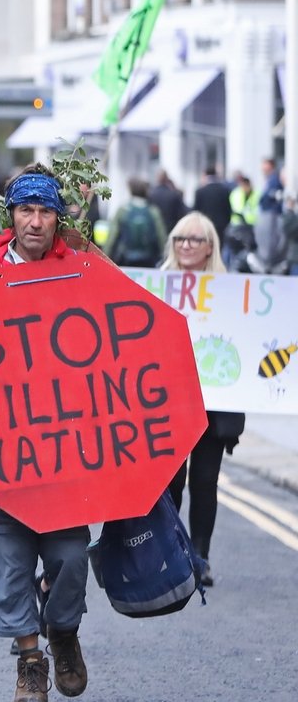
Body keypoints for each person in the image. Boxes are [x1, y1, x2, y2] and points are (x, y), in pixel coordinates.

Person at [0, 167, 89, 702]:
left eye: (45, 212)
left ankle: (61, 630)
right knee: (10, 561)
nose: (35, 222)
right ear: (10, 217)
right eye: (26, 211)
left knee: (70, 556)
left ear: (58, 218)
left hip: (65, 448)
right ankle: (30, 663)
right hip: (4, 446)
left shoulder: (81, 271)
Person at [160, 212, 239, 585]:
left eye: (194, 240)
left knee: (205, 480)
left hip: (214, 402)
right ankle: (175, 553)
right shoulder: (158, 284)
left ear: (210, 247)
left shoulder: (230, 290)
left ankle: (201, 556)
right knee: (172, 481)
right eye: (180, 239)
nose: (186, 246)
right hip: (170, 401)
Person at [105, 178, 167, 267]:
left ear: (131, 190)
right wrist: (164, 258)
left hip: (126, 260)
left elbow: (112, 238)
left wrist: (105, 256)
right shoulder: (153, 211)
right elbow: (161, 236)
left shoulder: (123, 210)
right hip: (149, 260)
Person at [191, 167, 233, 239]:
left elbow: (196, 211)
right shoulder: (224, 190)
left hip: (204, 225)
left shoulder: (200, 191)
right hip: (221, 226)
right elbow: (228, 210)